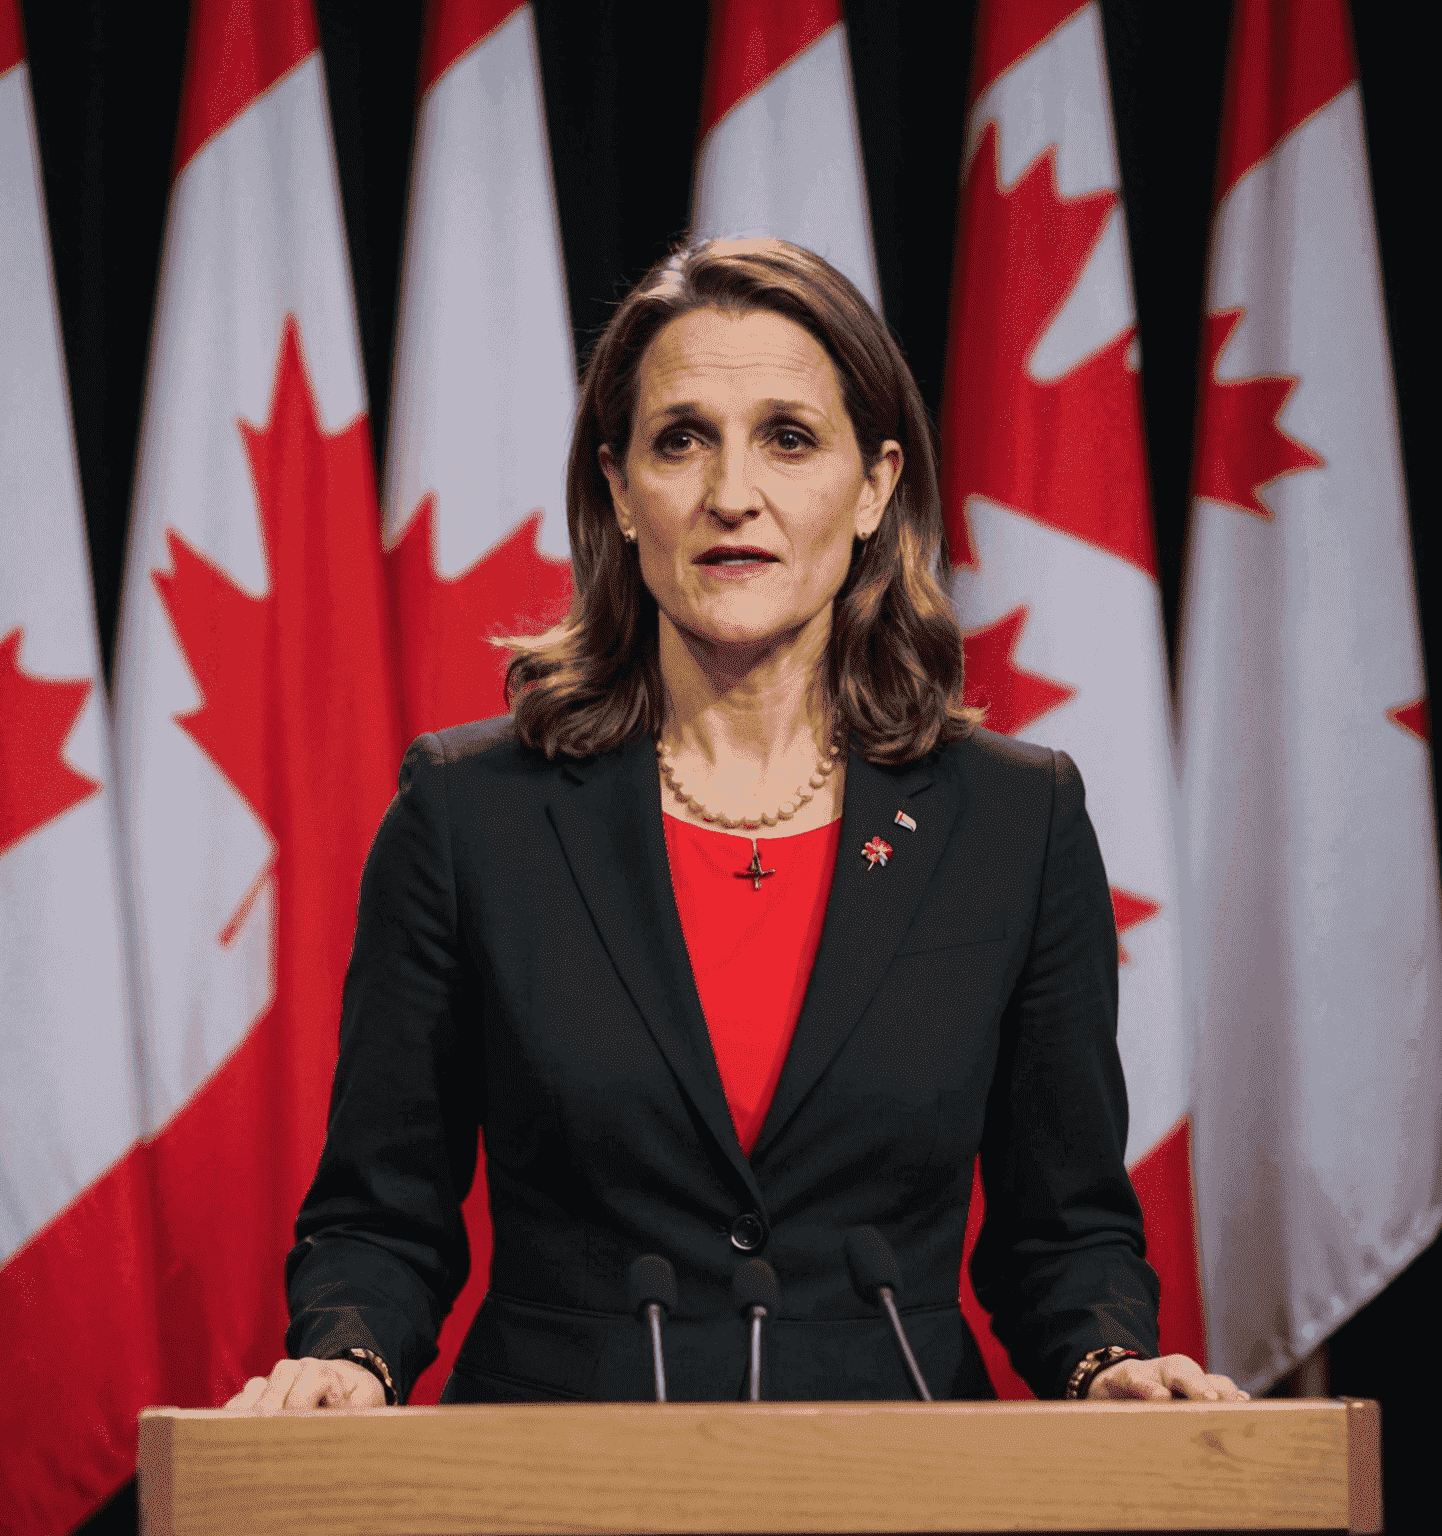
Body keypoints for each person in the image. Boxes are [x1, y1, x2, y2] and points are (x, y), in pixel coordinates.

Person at [229, 238, 1245, 1412]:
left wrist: (1106, 1360)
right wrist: (348, 1356)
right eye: (681, 439)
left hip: (902, 1475)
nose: (730, 494)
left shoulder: (1016, 823)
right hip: (554, 1479)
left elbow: (1061, 1233)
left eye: (788, 437)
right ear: (618, 489)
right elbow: (380, 1214)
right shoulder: (468, 817)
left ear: (873, 487)